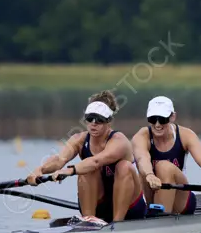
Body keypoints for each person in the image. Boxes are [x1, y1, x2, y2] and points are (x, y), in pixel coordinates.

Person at [26, 90, 147, 224]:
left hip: (130, 207)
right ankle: (89, 220)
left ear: (109, 122)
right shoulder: (78, 139)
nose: (93, 123)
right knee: (85, 170)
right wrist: (40, 170)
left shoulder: (119, 141)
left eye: (99, 120)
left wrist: (70, 170)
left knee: (123, 166)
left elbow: (96, 161)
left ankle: (117, 223)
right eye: (90, 119)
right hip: (101, 204)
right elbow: (60, 159)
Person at [132, 96, 201, 215]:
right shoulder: (141, 136)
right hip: (150, 193)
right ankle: (153, 213)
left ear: (172, 117)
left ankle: (160, 218)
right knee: (139, 173)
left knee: (163, 166)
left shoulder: (186, 135)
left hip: (180, 200)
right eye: (152, 119)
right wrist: (149, 175)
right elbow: (142, 158)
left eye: (162, 119)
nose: (157, 125)